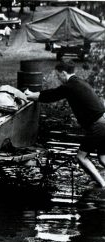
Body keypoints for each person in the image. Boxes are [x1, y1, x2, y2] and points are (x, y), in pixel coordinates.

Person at [25, 59, 105, 188]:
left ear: (63, 73)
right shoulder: (79, 82)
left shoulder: (69, 86)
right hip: (103, 120)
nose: (58, 79)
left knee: (81, 157)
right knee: (102, 157)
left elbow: (49, 96)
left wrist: (28, 95)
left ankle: (102, 185)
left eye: (57, 76)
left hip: (99, 125)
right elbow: (51, 93)